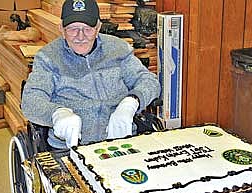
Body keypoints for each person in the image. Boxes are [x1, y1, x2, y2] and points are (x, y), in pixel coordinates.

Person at [21, 0, 160, 149]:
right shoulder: (48, 57)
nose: (80, 37)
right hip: (70, 146)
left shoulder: (118, 49)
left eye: (87, 29)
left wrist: (131, 102)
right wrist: (56, 114)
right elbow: (30, 100)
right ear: (61, 28)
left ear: (98, 27)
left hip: (122, 140)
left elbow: (149, 81)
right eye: (73, 29)